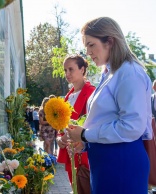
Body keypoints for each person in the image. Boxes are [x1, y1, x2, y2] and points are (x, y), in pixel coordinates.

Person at [67, 17, 152, 194]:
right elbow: (105, 119)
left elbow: (131, 126)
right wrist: (85, 141)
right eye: (86, 47)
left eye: (91, 45)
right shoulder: (112, 73)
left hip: (121, 163)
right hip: (107, 163)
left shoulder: (129, 73)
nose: (88, 52)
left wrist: (85, 134)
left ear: (110, 41)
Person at [56, 55, 95, 186]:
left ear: (82, 69)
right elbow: (61, 124)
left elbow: (92, 123)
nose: (67, 73)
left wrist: (66, 137)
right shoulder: (68, 96)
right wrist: (60, 138)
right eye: (65, 70)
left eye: (71, 69)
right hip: (70, 151)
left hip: (84, 152)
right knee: (76, 187)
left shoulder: (91, 92)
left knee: (85, 187)